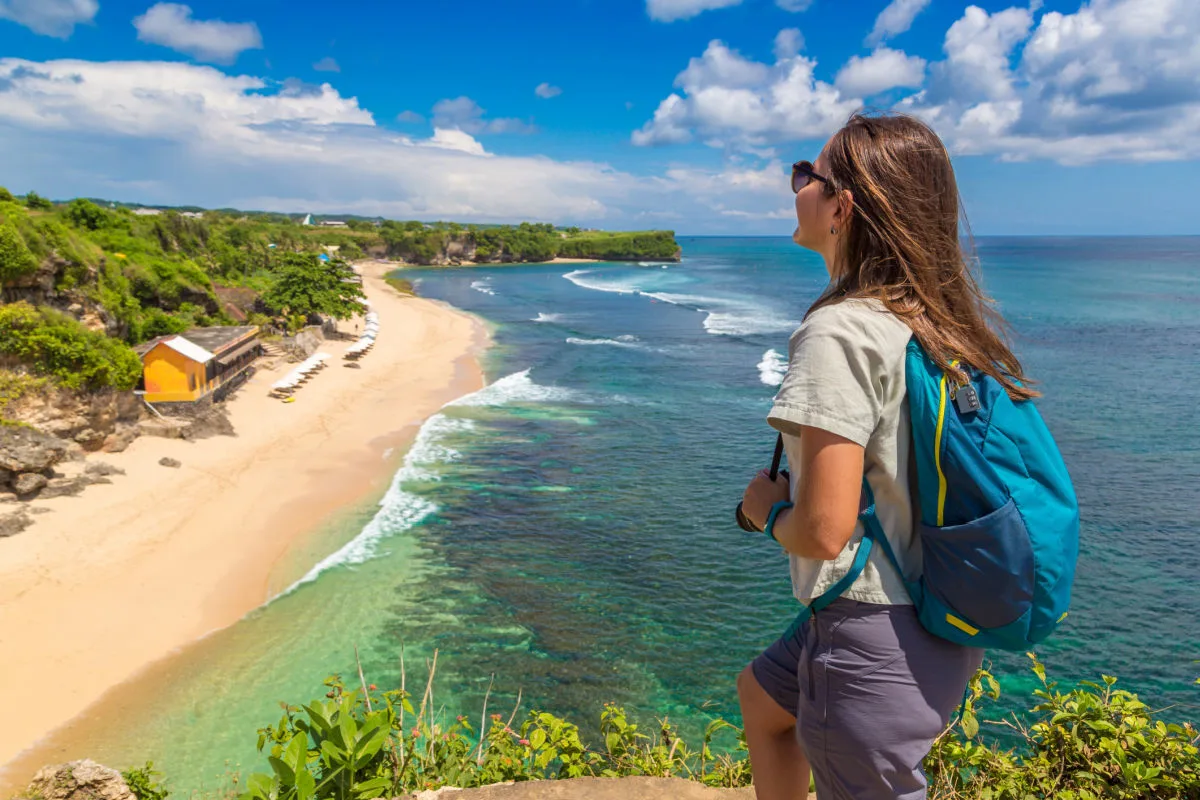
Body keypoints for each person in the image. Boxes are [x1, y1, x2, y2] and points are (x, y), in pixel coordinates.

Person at [736, 112, 1038, 800]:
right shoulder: (928, 320)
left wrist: (765, 511)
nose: (795, 188)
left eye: (804, 175)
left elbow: (824, 528)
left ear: (842, 206)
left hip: (872, 631)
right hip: (936, 615)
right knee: (761, 698)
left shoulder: (839, 331)